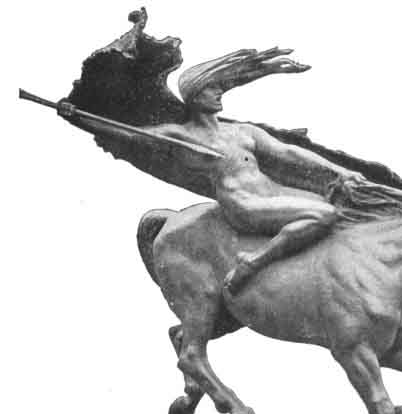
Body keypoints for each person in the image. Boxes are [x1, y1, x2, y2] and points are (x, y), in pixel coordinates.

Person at [58, 49, 366, 293]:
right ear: (195, 97)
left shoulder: (242, 131)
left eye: (219, 88)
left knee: (345, 210)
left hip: (274, 193)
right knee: (324, 215)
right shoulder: (180, 135)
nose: (218, 93)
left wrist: (338, 171)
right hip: (243, 204)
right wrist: (80, 118)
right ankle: (254, 262)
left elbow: (289, 152)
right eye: (211, 90)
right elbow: (129, 135)